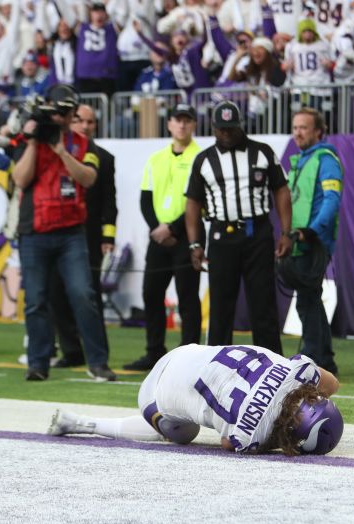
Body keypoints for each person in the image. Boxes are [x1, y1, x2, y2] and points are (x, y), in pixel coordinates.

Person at [48, 344, 345, 455]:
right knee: (185, 434)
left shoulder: (299, 370)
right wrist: (276, 437)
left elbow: (333, 383)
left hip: (183, 352)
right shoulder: (251, 435)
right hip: (153, 393)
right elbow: (229, 443)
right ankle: (88, 424)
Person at [10, 94, 117, 382]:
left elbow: (88, 179)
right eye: (60, 114)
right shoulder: (28, 138)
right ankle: (38, 363)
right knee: (36, 300)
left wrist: (61, 151)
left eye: (68, 114)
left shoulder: (82, 143)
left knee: (83, 294)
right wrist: (34, 142)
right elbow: (20, 180)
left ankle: (97, 362)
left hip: (71, 232)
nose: (64, 120)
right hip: (34, 231)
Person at [185, 101, 292, 355]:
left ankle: (273, 365)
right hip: (221, 235)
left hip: (258, 233)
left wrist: (286, 232)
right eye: (222, 129)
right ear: (213, 128)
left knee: (263, 303)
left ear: (240, 125)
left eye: (231, 129)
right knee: (221, 305)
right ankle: (217, 367)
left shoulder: (263, 152)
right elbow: (192, 203)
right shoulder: (204, 160)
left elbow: (281, 190)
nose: (227, 134)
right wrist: (195, 243)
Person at [126, 103, 204, 372]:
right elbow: (145, 198)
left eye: (187, 120)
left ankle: (189, 357)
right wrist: (157, 229)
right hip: (158, 237)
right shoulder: (156, 158)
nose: (182, 125)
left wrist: (172, 228)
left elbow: (199, 200)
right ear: (169, 124)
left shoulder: (201, 157)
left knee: (187, 296)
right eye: (177, 120)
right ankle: (154, 351)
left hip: (187, 235)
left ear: (193, 125)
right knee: (151, 293)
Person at [49, 103, 118, 368]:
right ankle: (71, 351)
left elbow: (109, 202)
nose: (85, 126)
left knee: (88, 295)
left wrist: (108, 236)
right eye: (79, 120)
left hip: (89, 235)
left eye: (90, 122)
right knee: (56, 292)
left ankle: (98, 355)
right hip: (58, 230)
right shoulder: (57, 151)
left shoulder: (104, 157)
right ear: (70, 122)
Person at [279, 107, 342, 375]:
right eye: (295, 127)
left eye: (303, 127)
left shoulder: (326, 159)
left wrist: (313, 231)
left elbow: (332, 200)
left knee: (307, 299)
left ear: (319, 131)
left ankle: (315, 357)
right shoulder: (300, 160)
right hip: (299, 239)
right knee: (309, 299)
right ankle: (323, 357)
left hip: (313, 241)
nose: (298, 132)